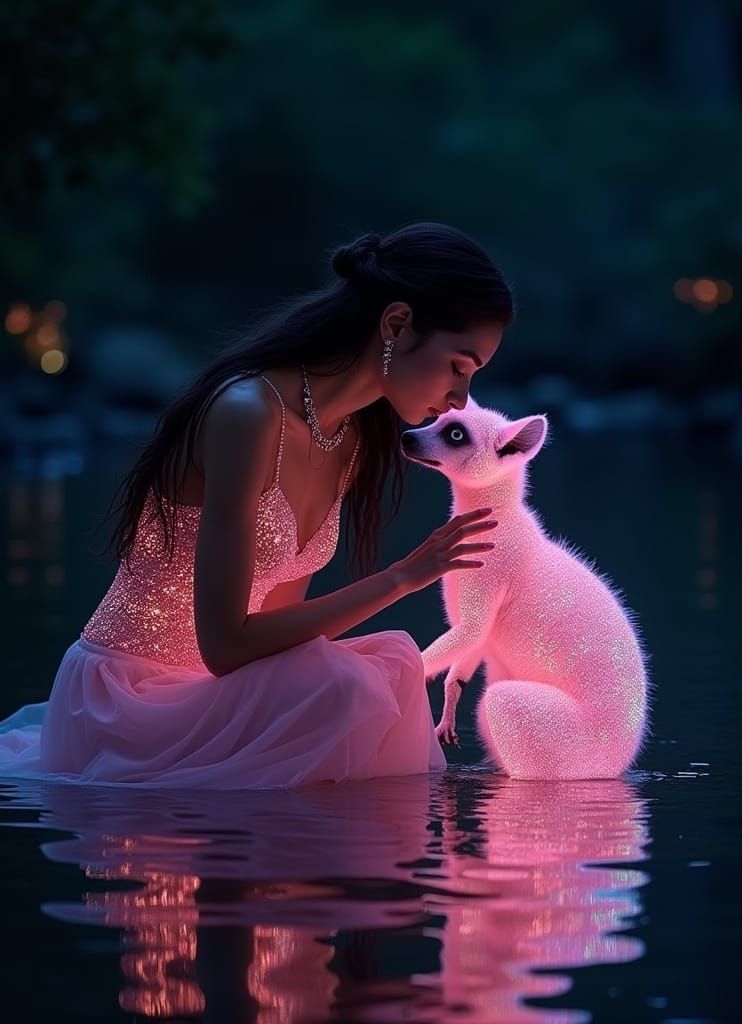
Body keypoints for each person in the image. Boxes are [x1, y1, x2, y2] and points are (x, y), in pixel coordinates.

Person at [0, 221, 514, 789]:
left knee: (387, 673)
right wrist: (400, 579)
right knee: (353, 685)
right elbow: (226, 647)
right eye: (458, 367)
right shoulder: (248, 413)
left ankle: (348, 868)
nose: (460, 400)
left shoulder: (350, 440)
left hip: (214, 694)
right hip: (124, 702)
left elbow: (276, 634)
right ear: (396, 324)